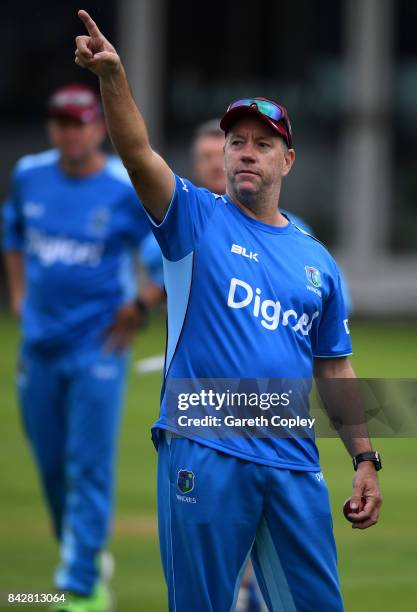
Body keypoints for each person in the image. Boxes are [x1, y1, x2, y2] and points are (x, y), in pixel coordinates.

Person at [75, 11, 383, 612]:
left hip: (294, 461)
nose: (245, 153)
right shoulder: (194, 218)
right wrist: (113, 78)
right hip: (204, 447)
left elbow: (335, 369)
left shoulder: (316, 259)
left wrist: (366, 458)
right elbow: (137, 153)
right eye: (236, 142)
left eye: (262, 144)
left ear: (286, 160)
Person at [2, 83, 164, 611]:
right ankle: (79, 554)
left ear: (98, 127)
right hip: (40, 346)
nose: (71, 133)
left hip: (98, 347)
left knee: (88, 463)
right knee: (50, 466)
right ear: (53, 128)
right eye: (62, 123)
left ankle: (81, 582)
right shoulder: (30, 175)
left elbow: (166, 249)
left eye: (81, 123)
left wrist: (140, 304)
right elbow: (13, 233)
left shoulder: (121, 187)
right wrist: (21, 295)